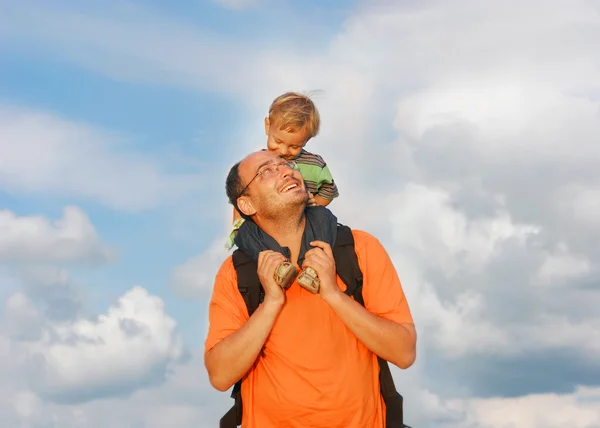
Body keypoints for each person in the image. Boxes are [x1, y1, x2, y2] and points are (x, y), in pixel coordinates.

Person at [204, 149, 417, 428]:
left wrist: (333, 294)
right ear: (246, 205)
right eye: (265, 171)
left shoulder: (358, 249)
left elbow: (404, 352)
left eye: (285, 164)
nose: (286, 170)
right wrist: (271, 303)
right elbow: (220, 375)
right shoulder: (237, 272)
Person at [226, 91, 339, 250]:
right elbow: (243, 195)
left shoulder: (315, 164)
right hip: (269, 226)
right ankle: (278, 267)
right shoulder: (259, 164)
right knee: (248, 231)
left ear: (306, 140)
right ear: (267, 126)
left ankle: (312, 268)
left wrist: (314, 204)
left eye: (294, 146)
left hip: (303, 224)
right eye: (278, 141)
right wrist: (238, 225)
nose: (283, 150)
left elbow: (329, 189)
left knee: (323, 217)